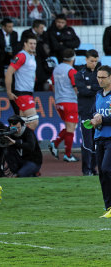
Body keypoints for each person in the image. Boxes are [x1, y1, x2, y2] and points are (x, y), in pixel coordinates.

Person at [88, 65, 111, 218]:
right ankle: (108, 206)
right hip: (99, 137)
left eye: (103, 77)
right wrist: (95, 116)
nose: (100, 80)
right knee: (102, 172)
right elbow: (93, 110)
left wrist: (102, 119)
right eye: (98, 77)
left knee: (107, 168)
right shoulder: (98, 94)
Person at [48, 49, 79, 162]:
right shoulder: (71, 70)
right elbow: (76, 87)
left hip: (59, 101)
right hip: (70, 101)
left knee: (70, 127)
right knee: (71, 128)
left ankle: (55, 143)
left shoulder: (56, 69)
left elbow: (52, 84)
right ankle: (68, 155)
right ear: (73, 58)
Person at [75, 49, 101, 175]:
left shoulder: (100, 73)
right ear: (86, 60)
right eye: (92, 61)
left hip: (98, 112)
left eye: (96, 61)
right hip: (85, 112)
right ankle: (86, 170)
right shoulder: (80, 74)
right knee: (87, 141)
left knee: (97, 140)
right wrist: (94, 88)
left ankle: (94, 168)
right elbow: (82, 90)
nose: (94, 63)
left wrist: (90, 87)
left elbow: (102, 87)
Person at [5, 34, 39, 130]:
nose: (33, 45)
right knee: (34, 122)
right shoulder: (22, 55)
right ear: (25, 44)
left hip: (28, 92)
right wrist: (9, 91)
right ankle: (28, 143)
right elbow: (9, 73)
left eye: (34, 43)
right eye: (30, 43)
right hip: (22, 93)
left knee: (22, 125)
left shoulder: (31, 56)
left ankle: (20, 143)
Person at [20, 19, 51, 91]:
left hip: (42, 56)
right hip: (30, 55)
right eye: (41, 28)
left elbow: (47, 45)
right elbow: (22, 45)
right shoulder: (26, 33)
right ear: (35, 28)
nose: (43, 30)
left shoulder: (44, 34)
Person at [0, 18, 19, 88]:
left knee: (17, 58)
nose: (11, 28)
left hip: (11, 55)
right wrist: (6, 52)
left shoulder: (15, 34)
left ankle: (15, 80)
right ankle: (1, 79)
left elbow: (15, 46)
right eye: (9, 27)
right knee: (0, 57)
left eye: (12, 26)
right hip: (1, 54)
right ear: (3, 27)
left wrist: (12, 52)